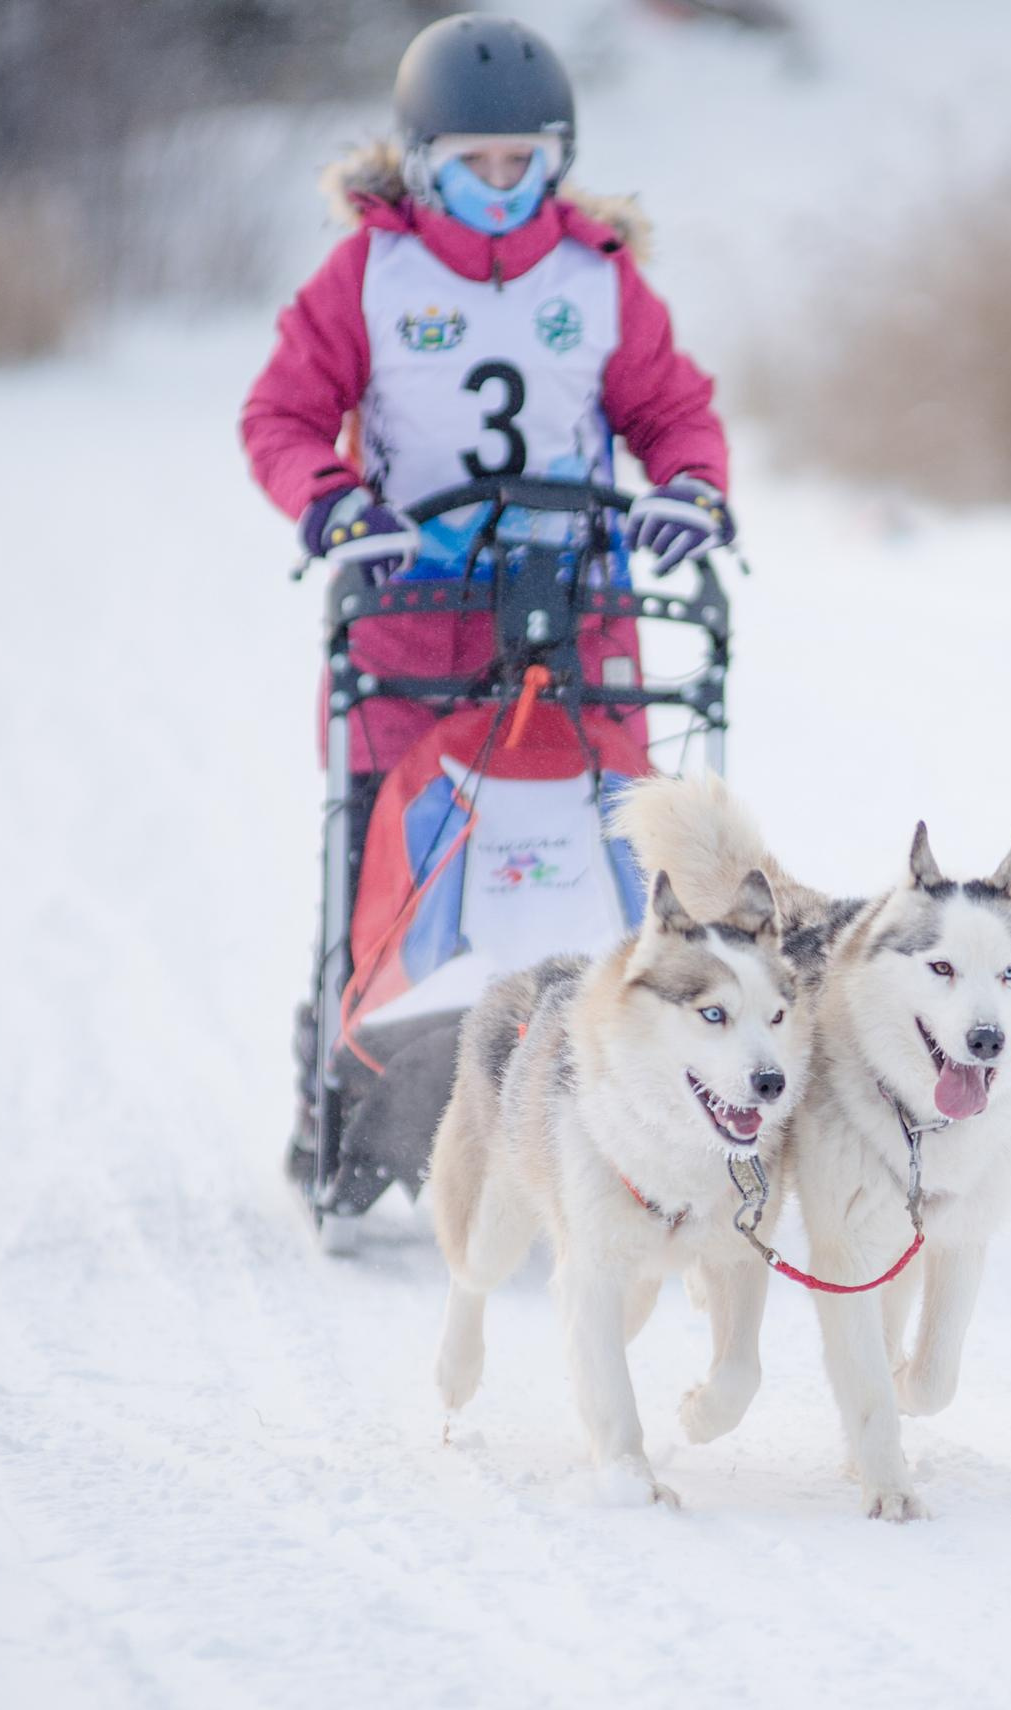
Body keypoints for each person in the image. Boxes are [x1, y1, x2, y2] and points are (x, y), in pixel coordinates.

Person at [242, 13, 735, 1188]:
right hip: (412, 611)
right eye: (478, 163)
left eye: (528, 162)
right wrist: (330, 502)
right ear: (421, 161)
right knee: (399, 854)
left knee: (620, 850)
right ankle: (359, 1090)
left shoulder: (600, 278)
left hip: (580, 612)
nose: (505, 186)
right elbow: (283, 417)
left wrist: (688, 486)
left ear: (561, 158)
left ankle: (634, 1091)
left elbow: (672, 410)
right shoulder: (368, 274)